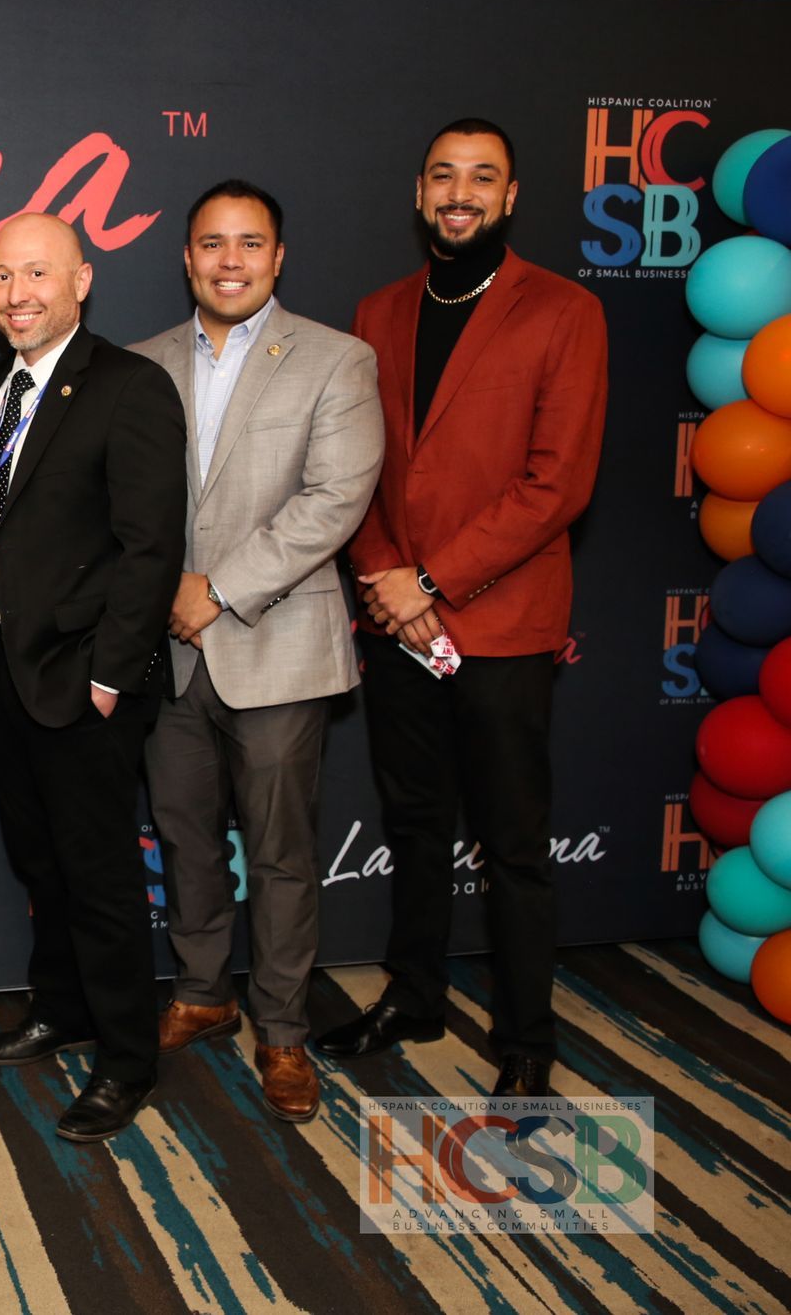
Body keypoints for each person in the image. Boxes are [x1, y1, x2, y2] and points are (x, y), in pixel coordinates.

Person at [313, 120, 607, 1097]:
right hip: (398, 622)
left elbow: (557, 484)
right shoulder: (380, 310)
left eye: (483, 177)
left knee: (514, 844)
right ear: (419, 192)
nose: (460, 193)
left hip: (502, 624)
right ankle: (415, 996)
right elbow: (356, 467)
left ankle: (526, 1039)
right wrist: (388, 582)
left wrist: (431, 582)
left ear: (510, 197)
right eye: (444, 175)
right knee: (413, 822)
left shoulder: (563, 310)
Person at [127, 180, 384, 1124]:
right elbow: (122, 503)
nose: (229, 261)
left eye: (249, 243)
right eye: (211, 243)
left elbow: (334, 499)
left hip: (275, 642)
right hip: (167, 648)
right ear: (186, 258)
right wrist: (166, 592)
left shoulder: (335, 358)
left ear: (278, 257)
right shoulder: (142, 364)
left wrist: (219, 589)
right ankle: (203, 992)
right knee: (185, 834)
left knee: (279, 853)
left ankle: (282, 1031)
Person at [0, 212, 187, 1142]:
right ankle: (62, 1009)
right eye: (2, 277)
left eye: (37, 274)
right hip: (2, 663)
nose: (17, 294)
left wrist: (110, 676)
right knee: (39, 860)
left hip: (85, 677)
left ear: (81, 281)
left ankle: (127, 1060)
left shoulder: (130, 386)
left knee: (100, 876)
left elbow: (150, 547)